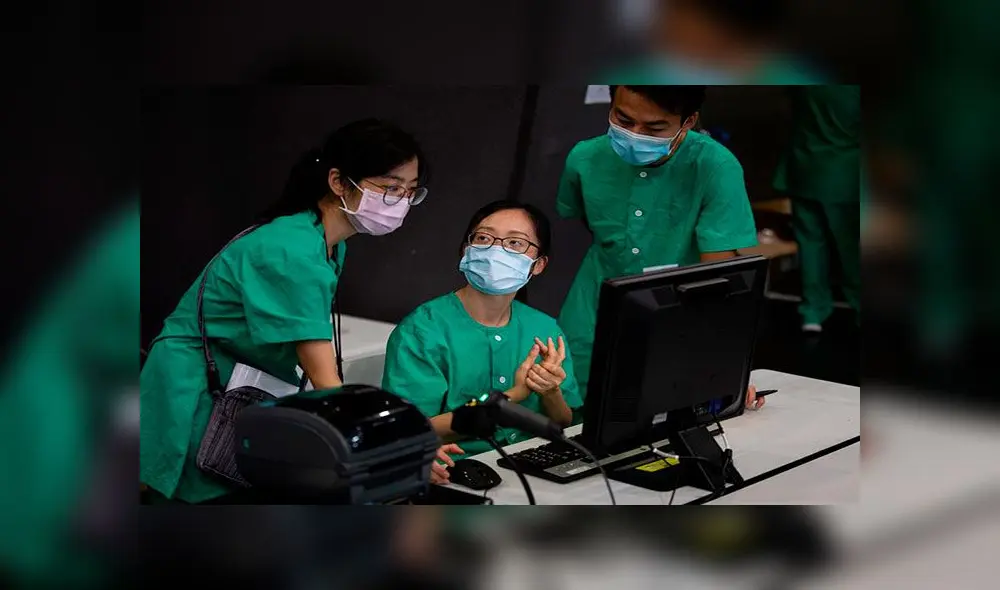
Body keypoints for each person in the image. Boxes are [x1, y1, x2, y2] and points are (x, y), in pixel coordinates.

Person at [140, 118, 458, 503]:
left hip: (237, 382)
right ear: (338, 181)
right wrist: (399, 448)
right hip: (194, 387)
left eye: (410, 191)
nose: (401, 202)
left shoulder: (326, 242)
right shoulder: (292, 250)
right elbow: (325, 379)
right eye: (390, 188)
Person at [556, 85, 763, 410]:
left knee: (664, 405)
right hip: (594, 303)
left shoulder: (715, 166)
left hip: (677, 311)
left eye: (654, 129)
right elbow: (583, 217)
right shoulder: (584, 158)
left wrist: (720, 364)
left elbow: (715, 277)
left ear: (688, 121)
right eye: (623, 120)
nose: (634, 135)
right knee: (575, 401)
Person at [382, 201, 582, 459]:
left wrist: (550, 391)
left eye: (515, 243)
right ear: (466, 250)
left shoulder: (545, 328)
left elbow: (563, 421)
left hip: (530, 457)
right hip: (457, 465)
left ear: (539, 264)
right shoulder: (422, 331)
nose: (496, 250)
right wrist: (513, 396)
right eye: (484, 238)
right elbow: (409, 431)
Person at [773, 85, 861, 333]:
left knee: (810, 244)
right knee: (851, 248)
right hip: (843, 176)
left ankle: (812, 311)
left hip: (804, 170)